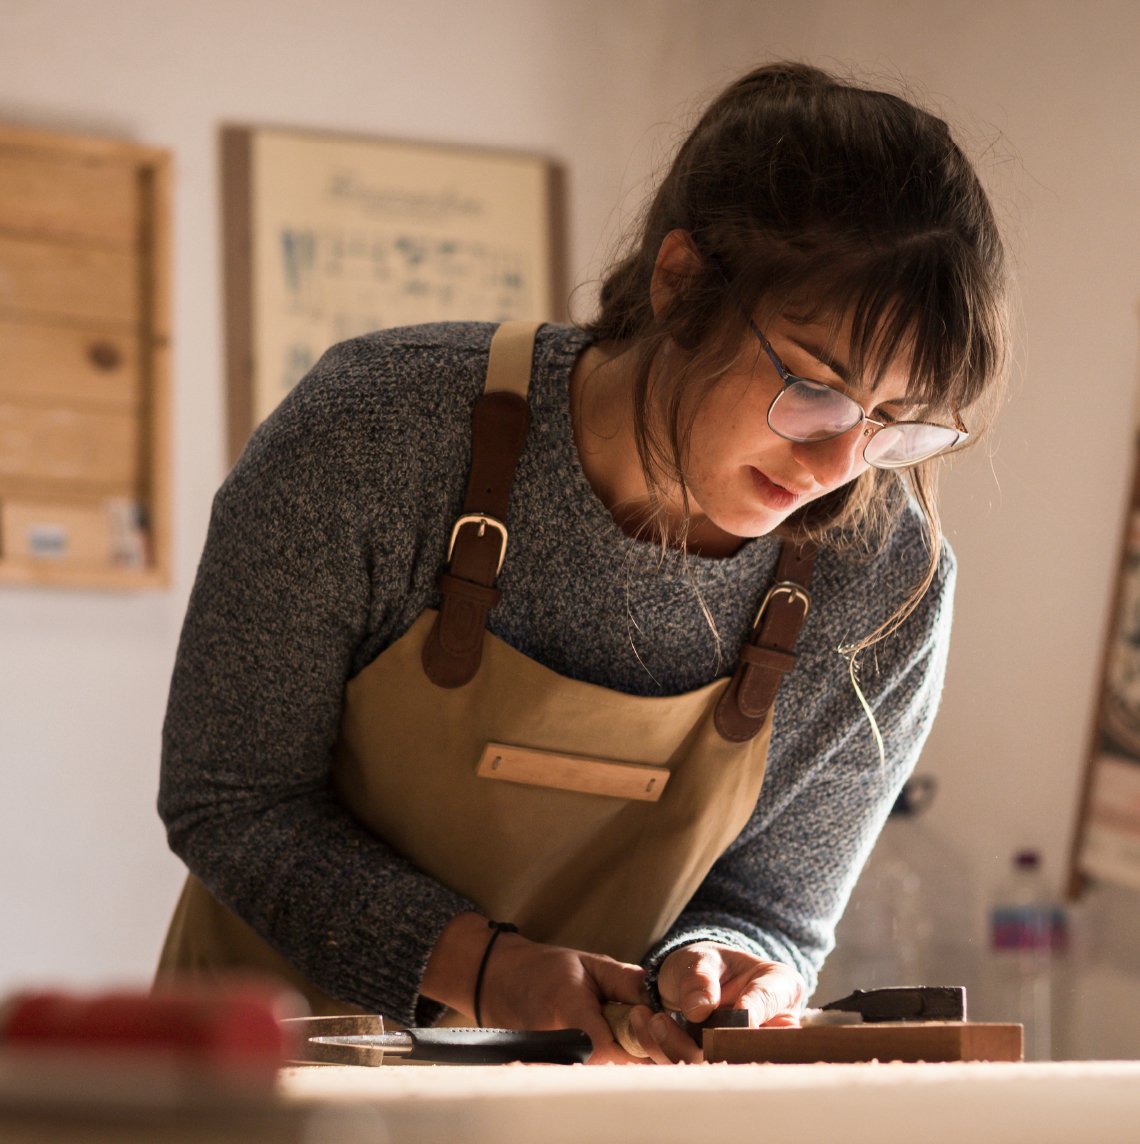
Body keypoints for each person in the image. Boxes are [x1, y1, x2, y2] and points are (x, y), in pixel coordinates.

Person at [157, 61, 1009, 1065]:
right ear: (681, 282)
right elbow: (233, 798)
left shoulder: (885, 578)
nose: (839, 467)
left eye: (896, 423)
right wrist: (489, 971)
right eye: (816, 389)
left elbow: (775, 909)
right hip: (261, 1083)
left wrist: (730, 967)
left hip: (587, 1108)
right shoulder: (378, 433)